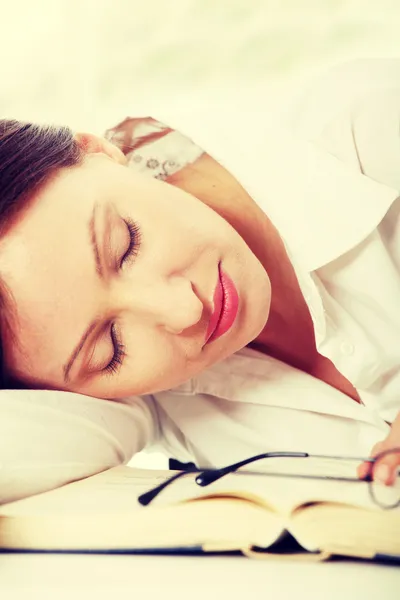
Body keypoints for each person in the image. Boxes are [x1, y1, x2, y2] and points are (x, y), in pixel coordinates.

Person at [0, 58, 399, 504]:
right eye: (110, 348)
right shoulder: (135, 399)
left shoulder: (371, 123)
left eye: (127, 245)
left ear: (96, 150)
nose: (185, 311)